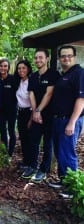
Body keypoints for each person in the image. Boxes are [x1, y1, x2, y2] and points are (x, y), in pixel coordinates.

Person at [48, 45, 84, 197]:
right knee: (59, 151)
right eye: (63, 56)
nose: (66, 58)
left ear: (74, 57)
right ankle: (63, 181)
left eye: (69, 55)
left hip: (69, 120)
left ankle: (71, 189)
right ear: (59, 58)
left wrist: (72, 122)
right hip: (58, 120)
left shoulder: (79, 73)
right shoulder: (64, 74)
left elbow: (81, 99)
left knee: (68, 154)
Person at [22, 49, 60, 181]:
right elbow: (31, 94)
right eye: (36, 58)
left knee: (48, 144)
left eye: (41, 57)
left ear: (47, 59)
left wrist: (39, 110)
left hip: (49, 115)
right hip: (36, 115)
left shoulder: (53, 74)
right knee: (34, 141)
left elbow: (49, 93)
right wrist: (34, 112)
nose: (38, 60)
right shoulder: (33, 76)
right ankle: (32, 166)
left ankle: (44, 169)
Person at [0, 58, 18, 159]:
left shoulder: (13, 79)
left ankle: (10, 153)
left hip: (12, 110)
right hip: (0, 110)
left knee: (11, 131)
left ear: (8, 67)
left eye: (5, 66)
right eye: (1, 66)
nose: (3, 68)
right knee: (2, 131)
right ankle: (5, 152)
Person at [14, 60, 33, 173]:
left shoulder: (31, 81)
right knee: (23, 138)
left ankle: (30, 163)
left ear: (28, 69)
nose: (21, 70)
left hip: (29, 112)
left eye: (23, 68)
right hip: (20, 112)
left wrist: (31, 118)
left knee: (30, 139)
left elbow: (33, 100)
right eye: (19, 68)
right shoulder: (19, 81)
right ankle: (25, 161)